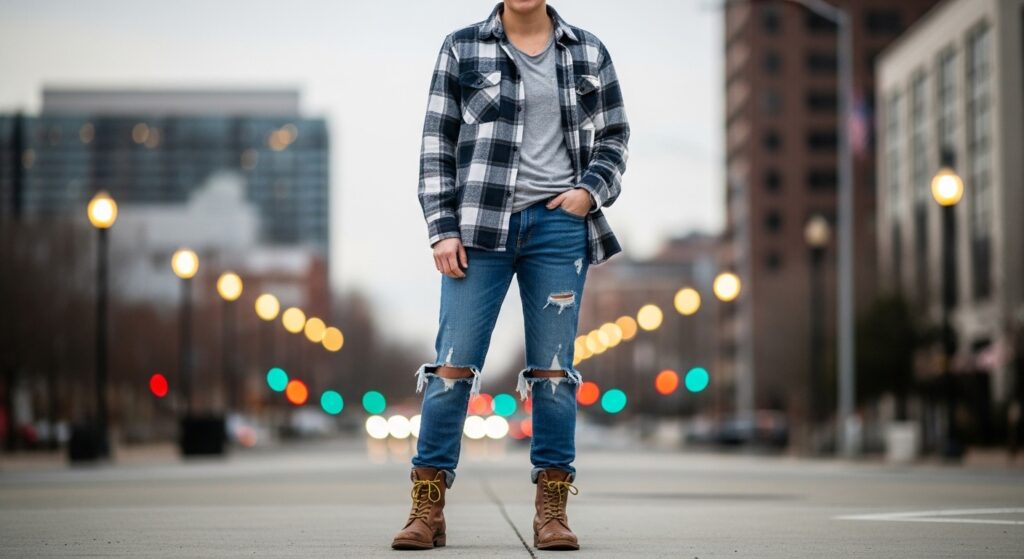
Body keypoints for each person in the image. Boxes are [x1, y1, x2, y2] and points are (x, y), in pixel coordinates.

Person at [391, 0, 629, 551]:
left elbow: (615, 136)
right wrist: (441, 227)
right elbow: (436, 143)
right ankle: (427, 507)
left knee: (553, 373)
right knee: (451, 369)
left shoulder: (588, 51)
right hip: (479, 227)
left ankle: (552, 511)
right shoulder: (462, 47)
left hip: (559, 230)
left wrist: (588, 192)